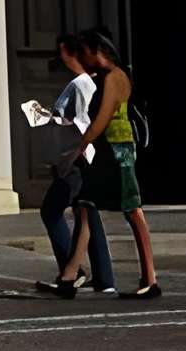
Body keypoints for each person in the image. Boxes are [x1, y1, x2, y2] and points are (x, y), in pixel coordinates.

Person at [74, 27, 161, 301]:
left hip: (119, 149)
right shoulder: (111, 76)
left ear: (94, 51)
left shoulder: (115, 77)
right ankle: (71, 272)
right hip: (112, 148)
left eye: (84, 54)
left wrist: (85, 141)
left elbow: (103, 116)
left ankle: (150, 278)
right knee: (87, 203)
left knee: (132, 210)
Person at [32, 33, 115, 297]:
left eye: (63, 52)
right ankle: (104, 278)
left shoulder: (80, 85)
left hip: (76, 159)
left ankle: (73, 272)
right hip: (82, 157)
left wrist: (49, 118)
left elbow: (80, 124)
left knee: (52, 210)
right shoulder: (90, 82)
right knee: (89, 215)